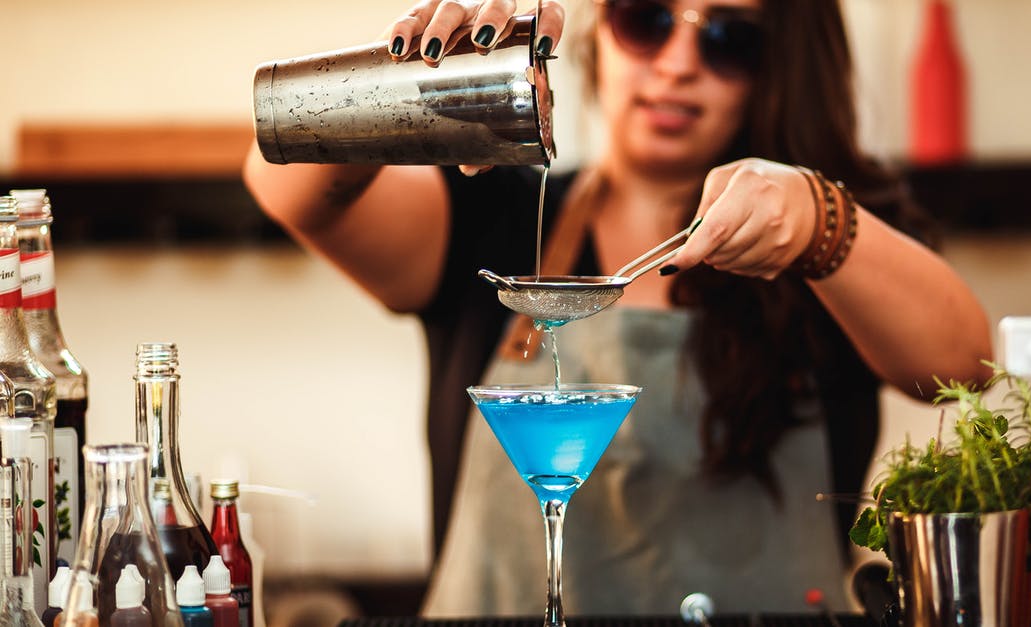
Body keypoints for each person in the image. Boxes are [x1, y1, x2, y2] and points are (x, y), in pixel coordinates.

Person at [244, 0, 993, 615]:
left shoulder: (822, 246)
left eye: (730, 39)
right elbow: (281, 182)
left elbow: (965, 361)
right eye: (647, 20)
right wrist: (407, 87)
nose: (677, 63)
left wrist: (820, 221)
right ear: (603, 33)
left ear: (780, 70)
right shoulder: (493, 212)